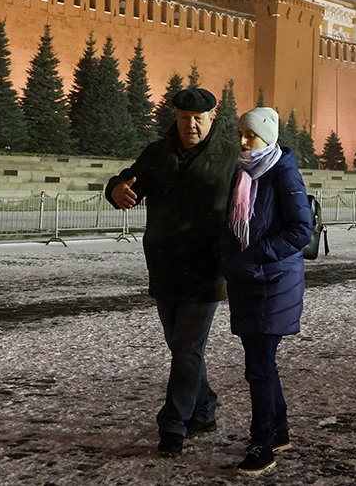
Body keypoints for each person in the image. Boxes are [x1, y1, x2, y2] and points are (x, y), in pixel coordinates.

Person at [104, 87, 236, 458]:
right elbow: (127, 180)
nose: (190, 126)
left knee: (187, 347)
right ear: (175, 118)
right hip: (163, 265)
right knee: (182, 347)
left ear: (211, 118)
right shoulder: (157, 153)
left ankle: (173, 424)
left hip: (207, 268)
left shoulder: (229, 155)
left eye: (198, 119)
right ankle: (204, 410)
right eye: (183, 119)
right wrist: (115, 189)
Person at [217, 107, 312, 475]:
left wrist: (254, 255)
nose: (242, 141)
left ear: (268, 137)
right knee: (262, 362)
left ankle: (263, 443)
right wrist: (226, 253)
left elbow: (300, 231)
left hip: (273, 281)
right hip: (247, 278)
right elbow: (233, 221)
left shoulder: (283, 173)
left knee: (258, 364)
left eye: (250, 135)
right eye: (240, 133)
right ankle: (279, 430)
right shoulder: (242, 174)